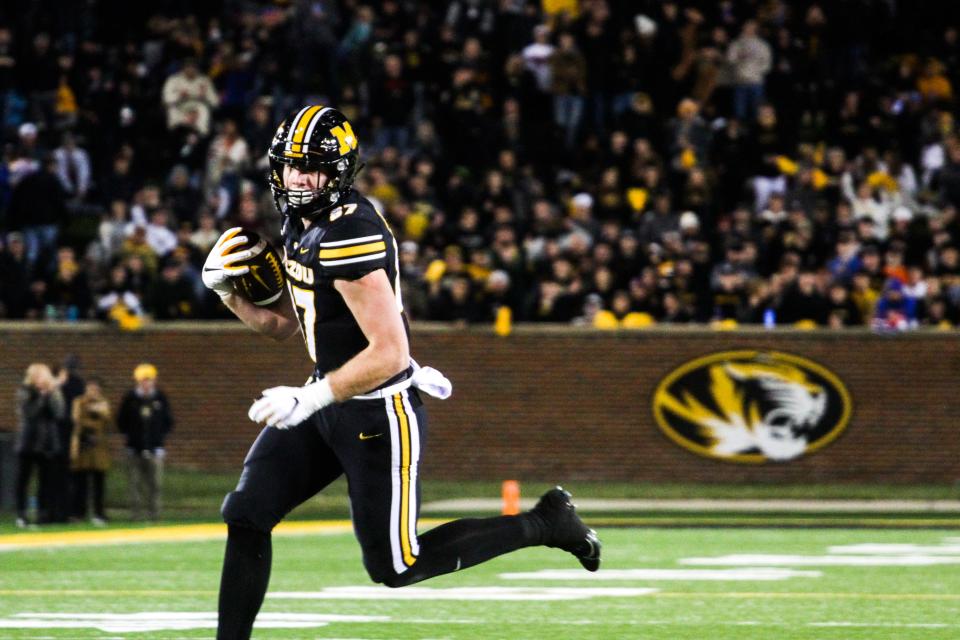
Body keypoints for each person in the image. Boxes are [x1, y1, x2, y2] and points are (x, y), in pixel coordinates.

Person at [202, 105, 601, 639]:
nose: (297, 178)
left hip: (376, 410)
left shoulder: (350, 232)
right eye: (290, 165)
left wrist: (311, 398)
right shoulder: (303, 221)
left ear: (339, 172)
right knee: (247, 512)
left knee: (396, 564)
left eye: (312, 166)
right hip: (327, 397)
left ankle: (546, 523)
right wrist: (228, 293)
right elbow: (286, 327)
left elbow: (390, 352)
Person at [117, 363, 173, 521]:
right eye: (143, 380)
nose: (146, 383)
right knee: (134, 484)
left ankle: (154, 514)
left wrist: (159, 439)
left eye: (149, 380)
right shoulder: (130, 398)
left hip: (155, 449)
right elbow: (121, 421)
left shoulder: (160, 397)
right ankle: (135, 514)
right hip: (134, 448)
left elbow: (168, 421)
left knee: (155, 484)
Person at [14, 363, 65, 527]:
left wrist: (51, 394)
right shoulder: (25, 391)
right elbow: (30, 413)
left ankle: (43, 513)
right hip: (28, 443)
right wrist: (42, 396)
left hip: (47, 443)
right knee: (23, 480)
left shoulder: (53, 392)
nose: (42, 379)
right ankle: (21, 514)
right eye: (38, 376)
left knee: (46, 481)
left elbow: (59, 413)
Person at [70, 378, 111, 525]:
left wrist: (97, 413)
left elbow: (107, 419)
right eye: (90, 388)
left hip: (98, 447)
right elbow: (77, 419)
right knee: (80, 483)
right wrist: (92, 413)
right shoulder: (79, 402)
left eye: (95, 389)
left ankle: (99, 513)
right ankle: (78, 513)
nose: (92, 392)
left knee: (98, 483)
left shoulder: (103, 403)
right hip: (82, 446)